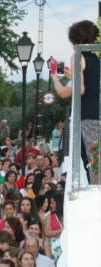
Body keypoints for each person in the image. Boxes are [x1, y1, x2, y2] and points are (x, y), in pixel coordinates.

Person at [52, 20, 100, 184]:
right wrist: (70, 75)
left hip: (86, 116)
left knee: (92, 161)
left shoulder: (77, 56)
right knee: (94, 159)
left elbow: (77, 90)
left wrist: (55, 78)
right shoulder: (95, 59)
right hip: (97, 113)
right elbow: (89, 85)